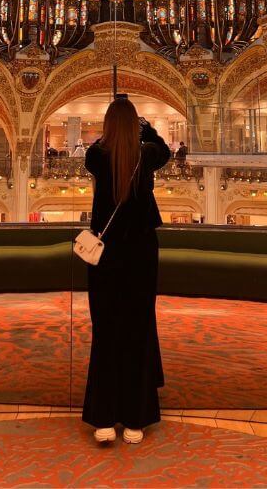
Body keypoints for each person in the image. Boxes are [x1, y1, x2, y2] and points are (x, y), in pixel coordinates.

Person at [82, 97, 170, 445]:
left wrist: (113, 133)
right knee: (138, 330)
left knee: (106, 333)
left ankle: (103, 419)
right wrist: (145, 128)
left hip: (104, 256)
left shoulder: (96, 156)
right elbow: (162, 148)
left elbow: (93, 149)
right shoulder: (146, 155)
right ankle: (135, 420)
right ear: (136, 126)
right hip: (140, 255)